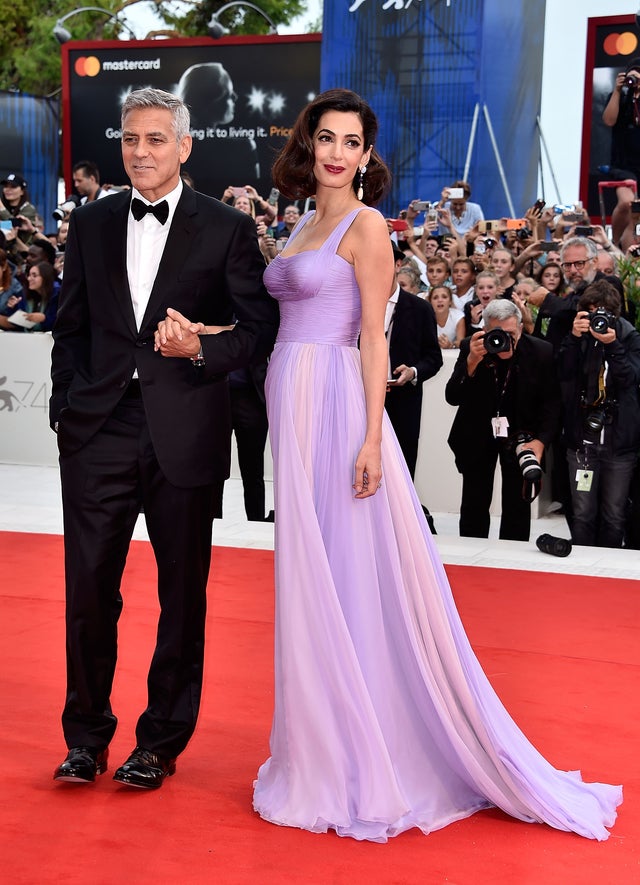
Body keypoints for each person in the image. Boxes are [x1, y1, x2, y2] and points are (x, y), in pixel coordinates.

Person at [199, 88, 619, 841]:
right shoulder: (301, 222)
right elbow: (272, 320)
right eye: (324, 138)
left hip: (335, 409)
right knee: (310, 577)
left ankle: (361, 754)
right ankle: (318, 745)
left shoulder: (364, 228)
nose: (334, 152)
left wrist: (369, 437)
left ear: (367, 154)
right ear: (309, 144)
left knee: (353, 575)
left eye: (349, 142)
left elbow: (372, 339)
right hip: (290, 407)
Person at [50, 87, 279, 790]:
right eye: (129, 139)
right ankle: (86, 736)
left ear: (184, 146)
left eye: (155, 139)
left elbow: (258, 330)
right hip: (99, 432)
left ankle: (160, 741)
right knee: (88, 589)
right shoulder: (88, 223)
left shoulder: (228, 229)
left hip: (184, 432)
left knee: (183, 596)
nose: (140, 152)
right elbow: (72, 326)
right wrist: (67, 409)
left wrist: (199, 352)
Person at [556, 279, 640, 547]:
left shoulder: (629, 337)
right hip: (582, 440)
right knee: (582, 513)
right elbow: (562, 373)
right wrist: (573, 337)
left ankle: (610, 570)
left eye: (603, 311)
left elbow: (631, 379)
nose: (598, 318)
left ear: (614, 312)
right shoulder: (578, 337)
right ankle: (582, 569)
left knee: (614, 515)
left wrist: (613, 345)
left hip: (620, 442)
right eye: (592, 311)